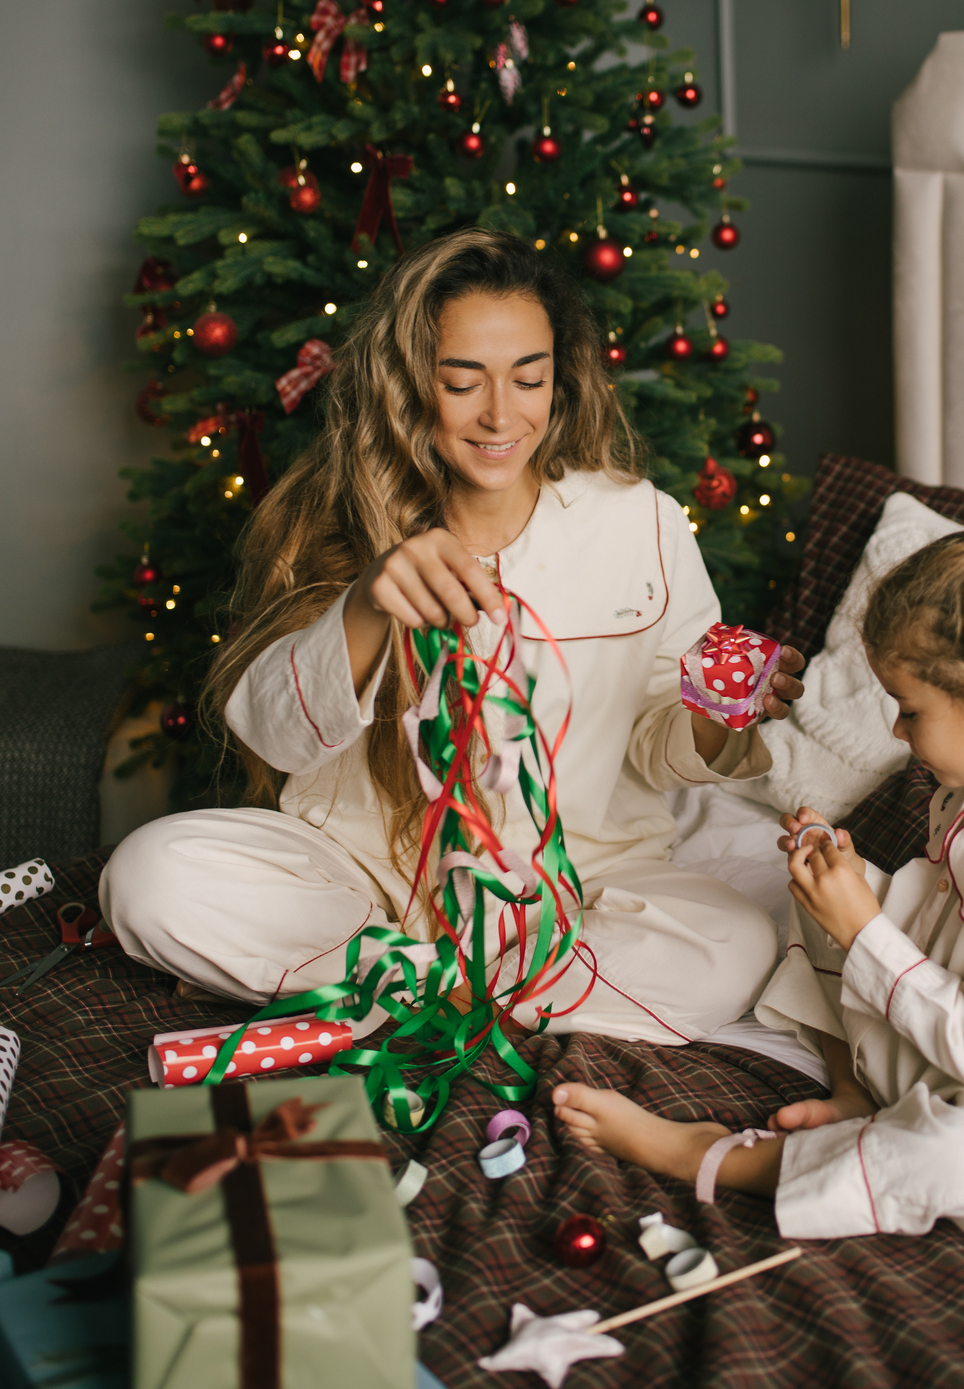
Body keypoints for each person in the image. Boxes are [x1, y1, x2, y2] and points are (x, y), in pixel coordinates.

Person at [101, 228, 803, 1044]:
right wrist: (367, 602)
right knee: (148, 877)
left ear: (561, 380)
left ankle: (411, 992)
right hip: (368, 875)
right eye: (463, 382)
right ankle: (474, 990)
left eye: (528, 378)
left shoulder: (640, 520)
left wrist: (720, 718)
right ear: (409, 385)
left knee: (737, 941)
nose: (502, 414)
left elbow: (655, 737)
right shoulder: (334, 513)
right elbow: (268, 732)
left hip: (572, 881)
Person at [552, 507, 964, 1236]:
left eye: (910, 710)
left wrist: (865, 925)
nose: (898, 731)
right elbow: (939, 922)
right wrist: (840, 883)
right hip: (942, 1023)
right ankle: (853, 1087)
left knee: (955, 1158)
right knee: (811, 891)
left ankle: (720, 1158)